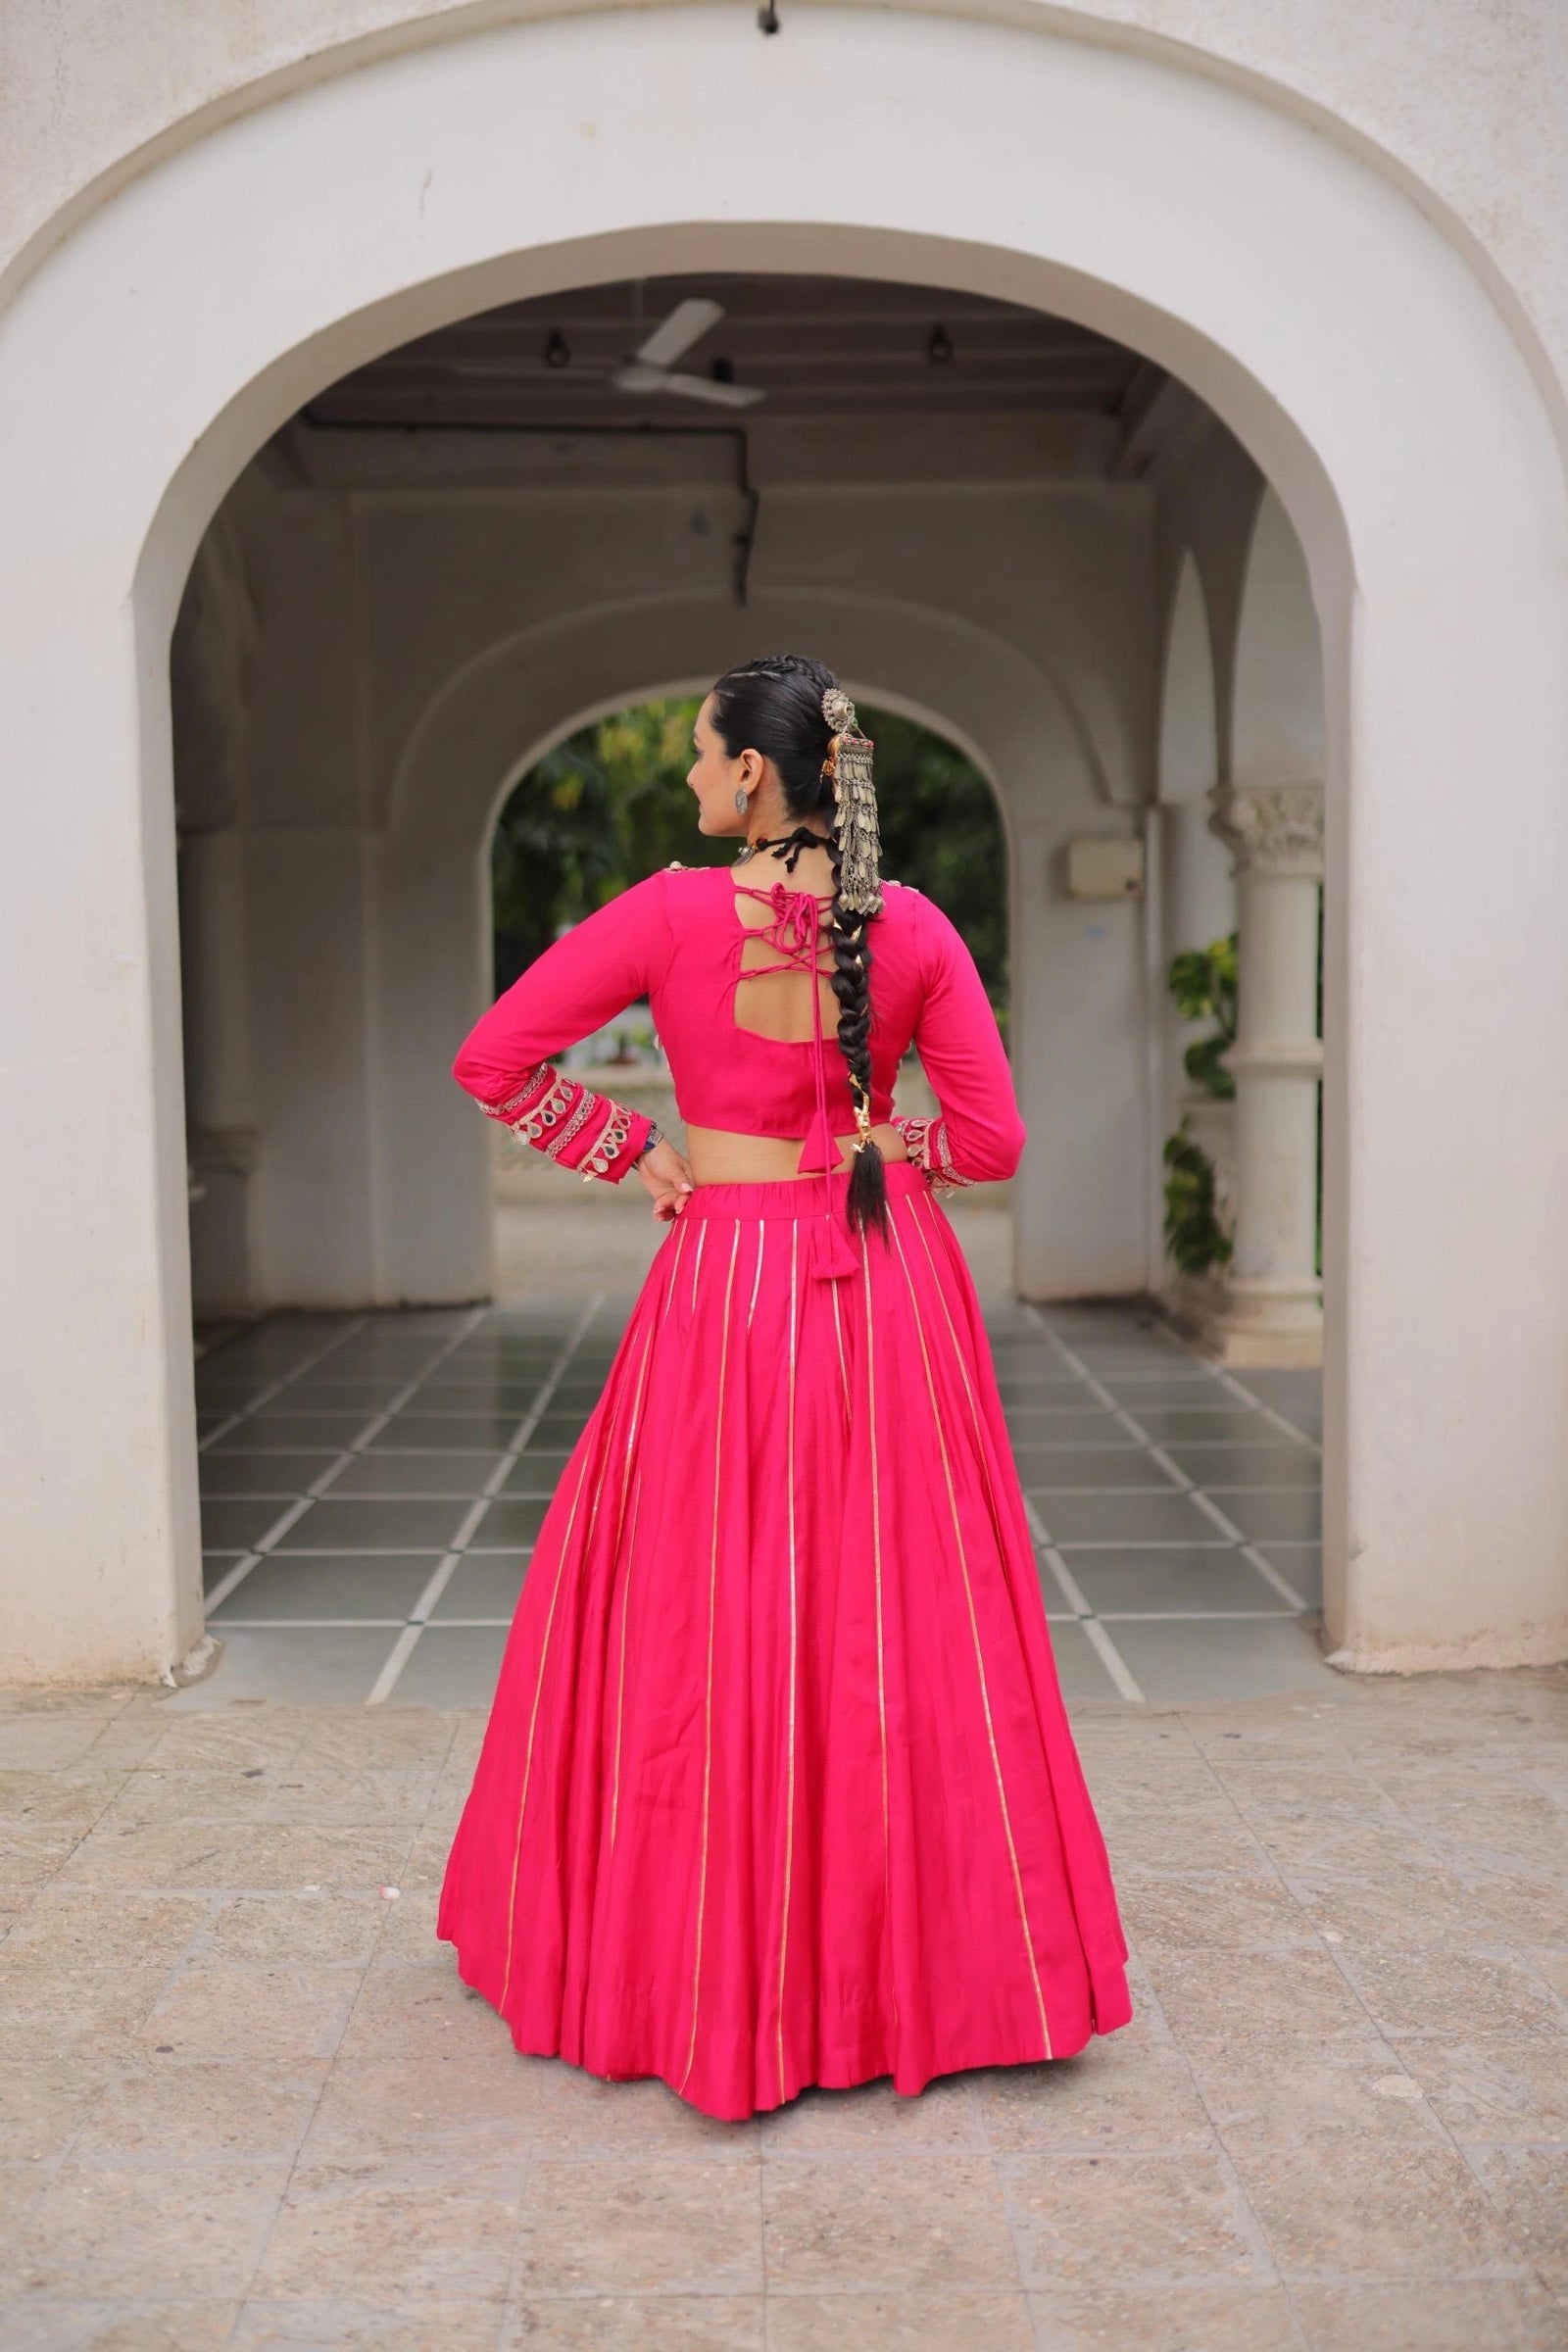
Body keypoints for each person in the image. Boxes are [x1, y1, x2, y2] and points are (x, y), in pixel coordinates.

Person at [436, 654, 1131, 2123]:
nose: (691, 780)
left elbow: (494, 1058)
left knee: (704, 1608)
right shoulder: (919, 926)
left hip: (728, 1291)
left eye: (700, 756)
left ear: (754, 775)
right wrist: (880, 1156)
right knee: (901, 1616)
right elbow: (992, 1144)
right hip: (891, 1294)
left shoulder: (668, 912)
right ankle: (926, 1973)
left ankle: (698, 1960)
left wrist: (633, 1154)